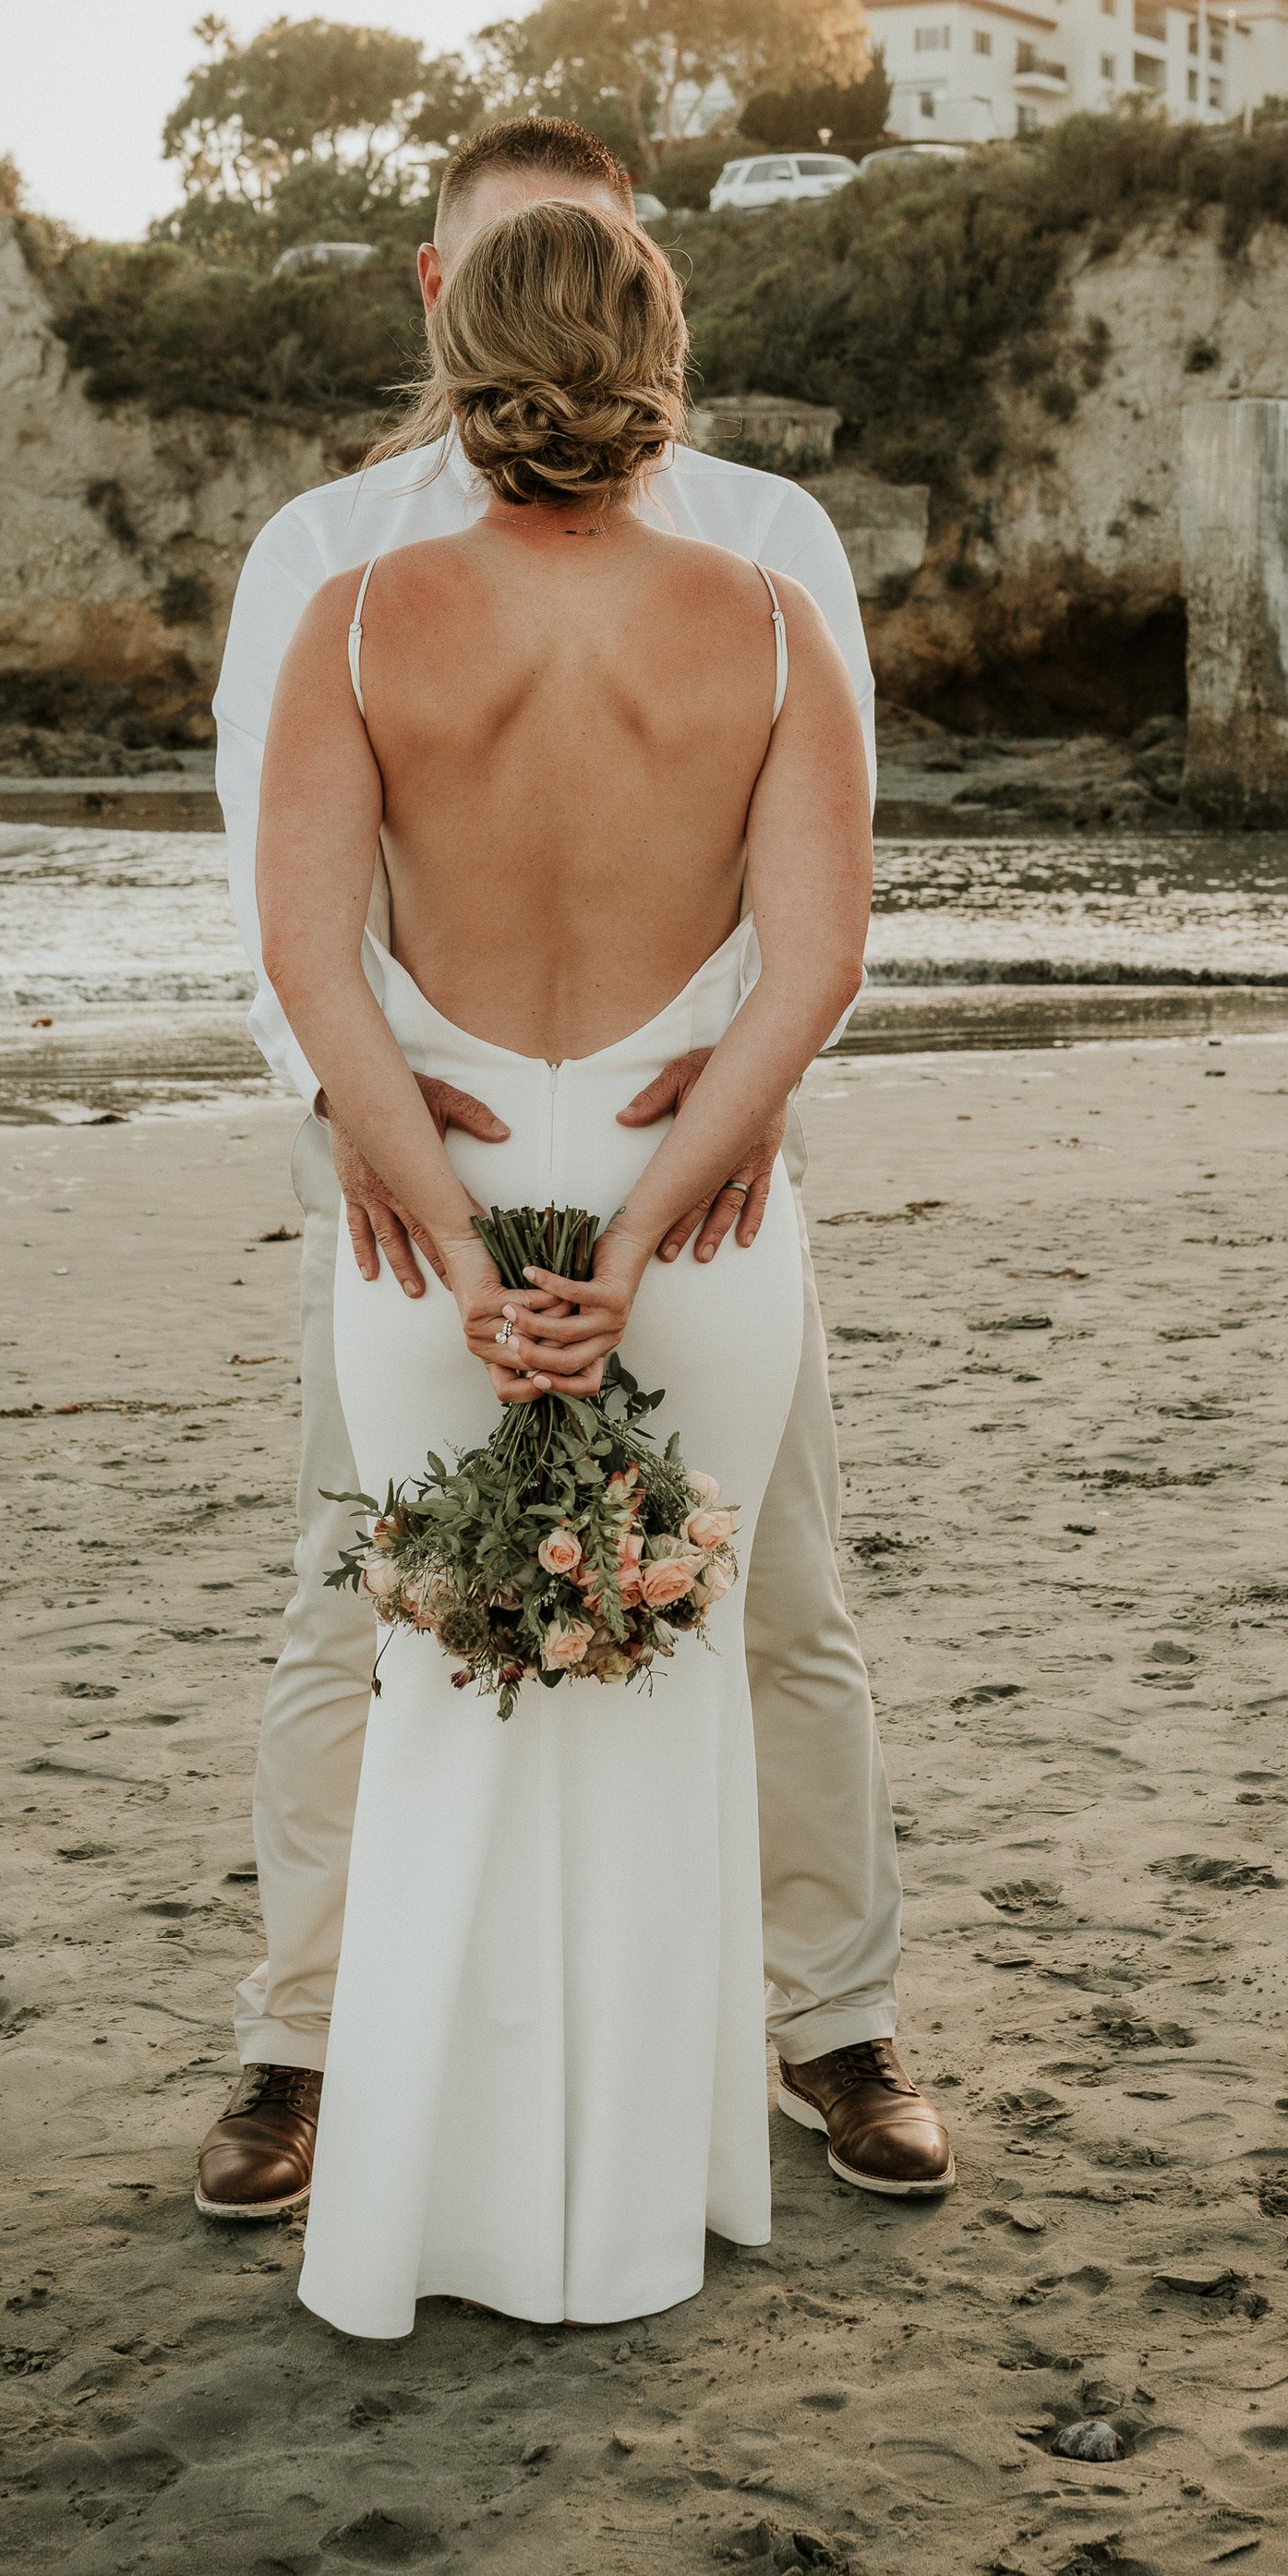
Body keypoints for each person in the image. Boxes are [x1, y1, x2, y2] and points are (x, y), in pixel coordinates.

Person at [199, 117, 954, 2243]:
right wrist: (368, 1122)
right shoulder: (318, 556)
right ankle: (306, 2041)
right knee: (348, 1600)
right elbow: (288, 921)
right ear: (440, 291)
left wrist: (733, 1105)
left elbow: (793, 941)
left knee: (775, 1588)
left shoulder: (770, 545)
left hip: (694, 1141)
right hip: (402, 1119)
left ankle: (838, 2019)